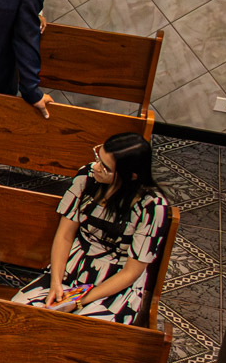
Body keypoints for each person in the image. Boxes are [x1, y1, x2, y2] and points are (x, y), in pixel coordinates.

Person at [13, 135, 170, 326]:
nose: (96, 167)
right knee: (20, 316)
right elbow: (65, 235)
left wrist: (79, 302)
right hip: (72, 266)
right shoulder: (87, 177)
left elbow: (131, 272)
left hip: (116, 281)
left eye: (106, 168)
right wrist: (55, 283)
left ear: (131, 176)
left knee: (83, 331)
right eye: (98, 157)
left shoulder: (152, 207)